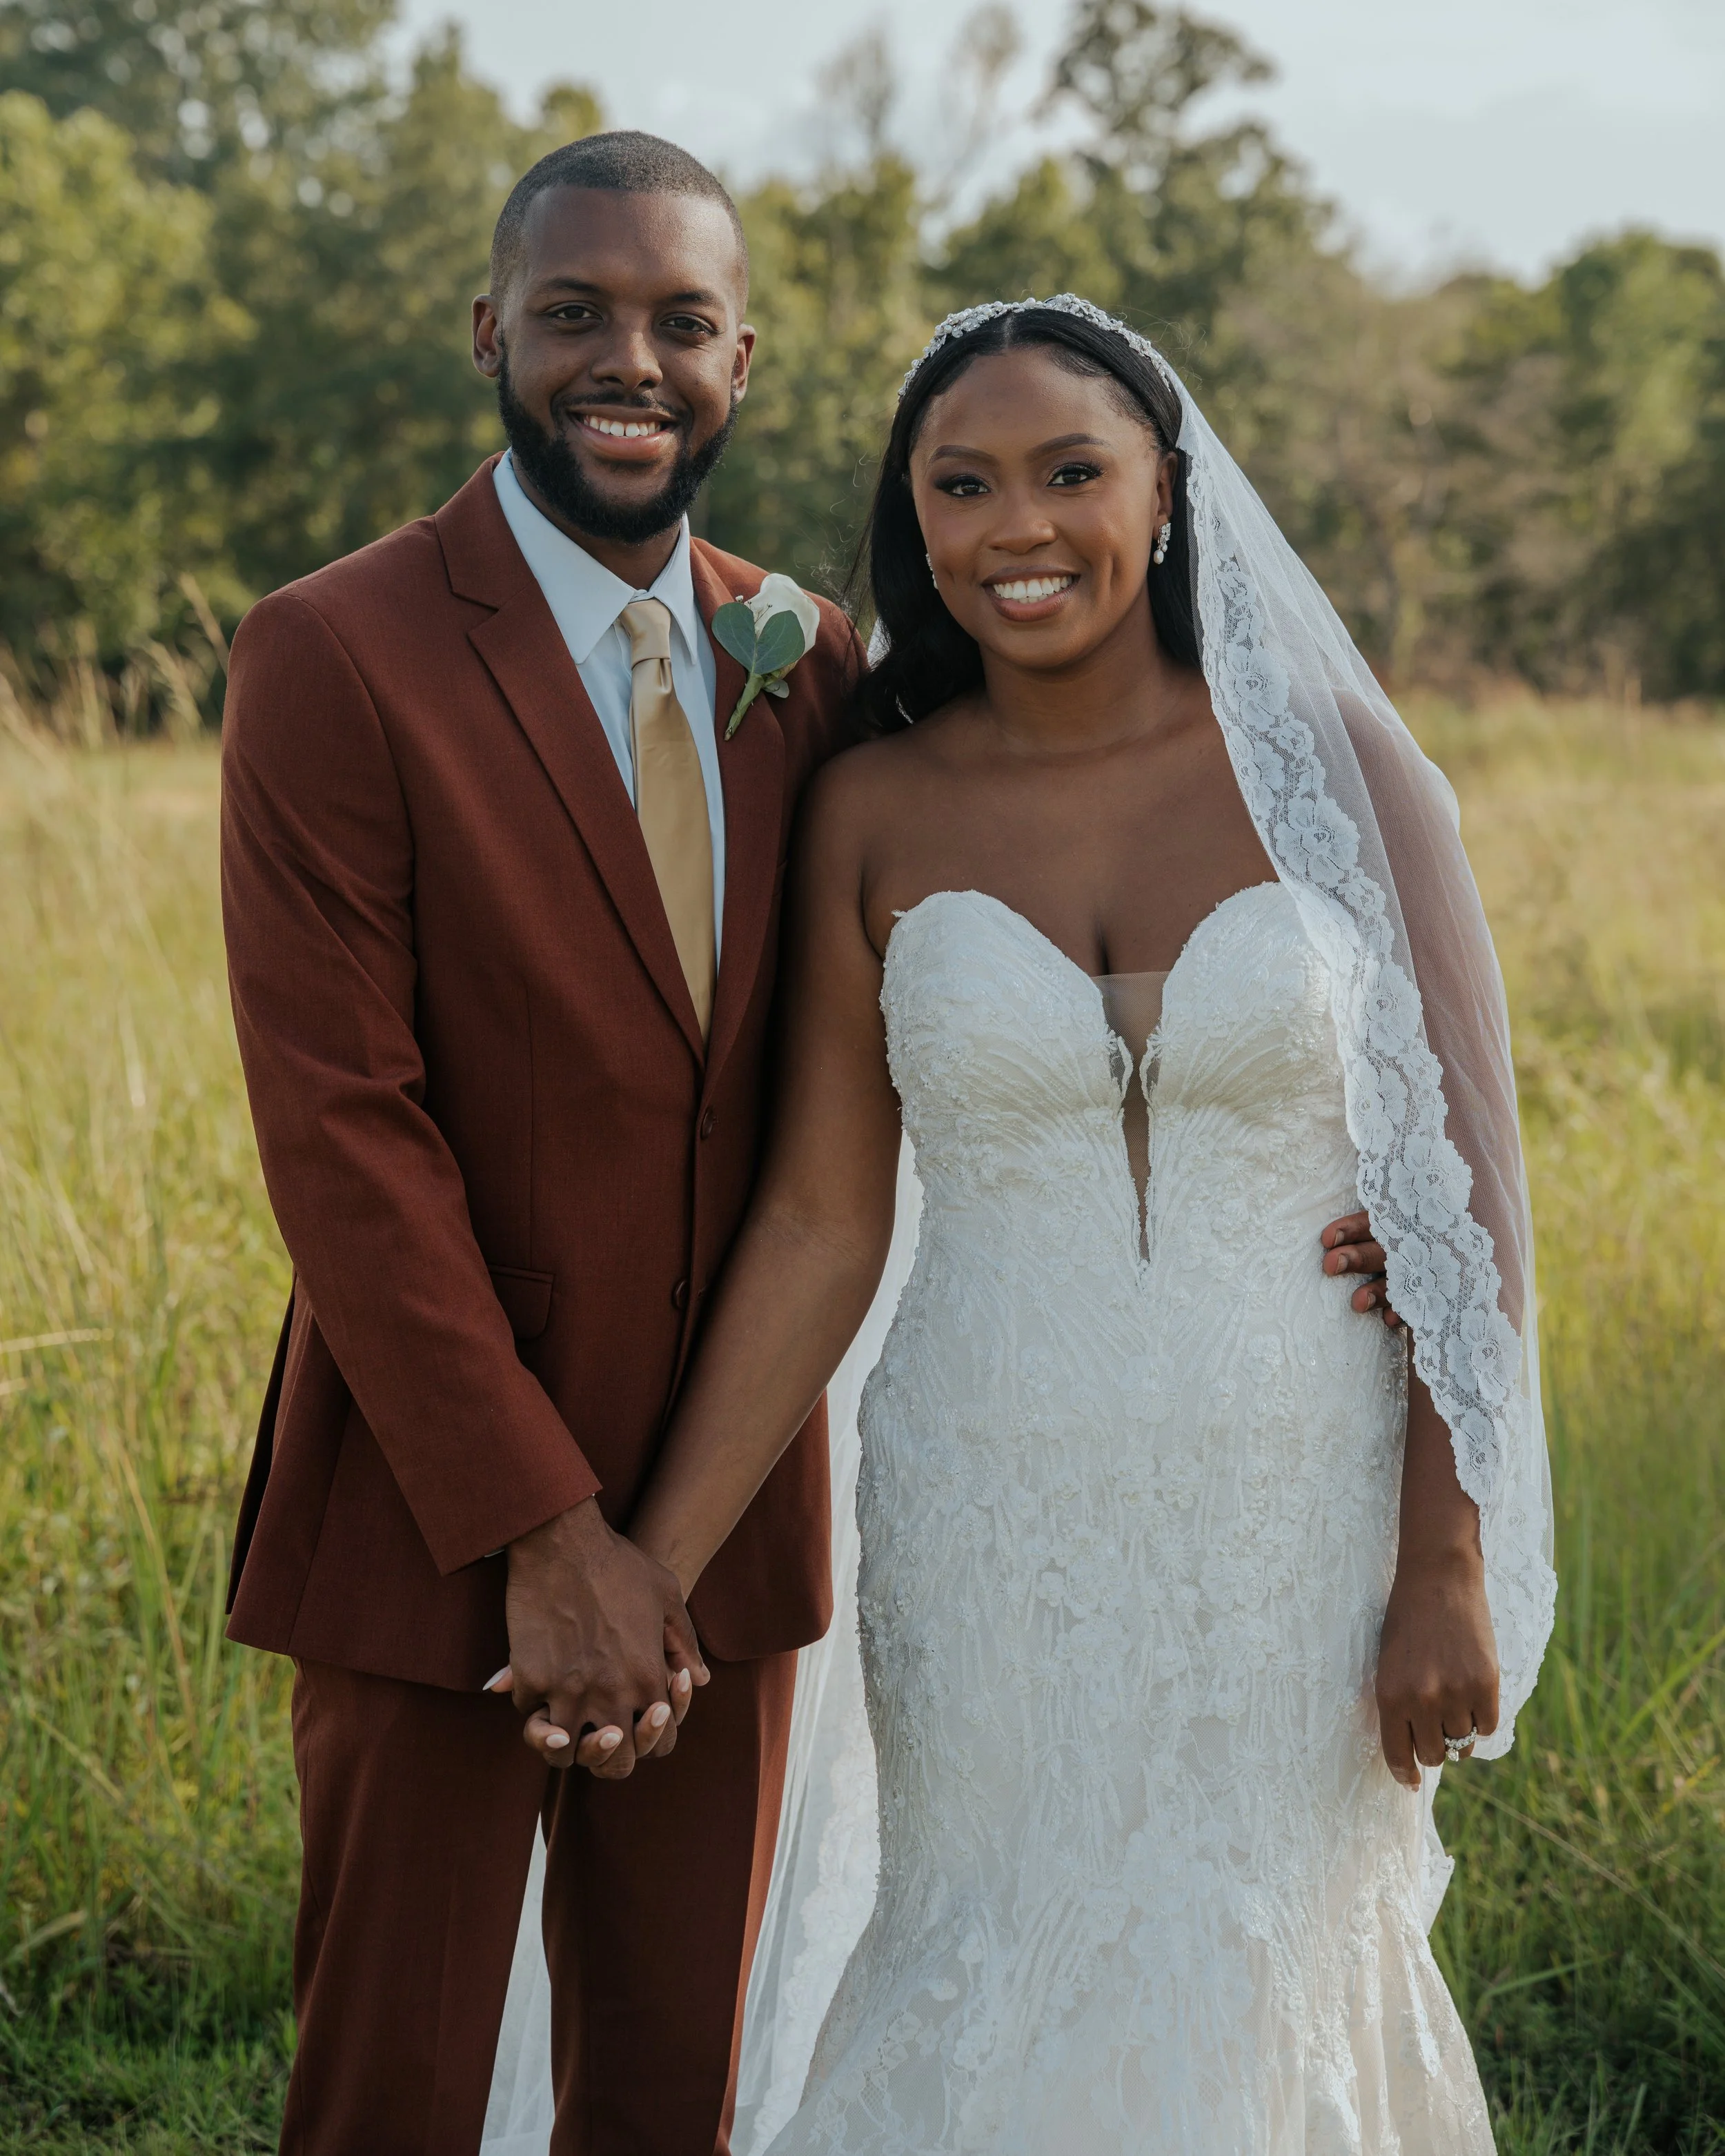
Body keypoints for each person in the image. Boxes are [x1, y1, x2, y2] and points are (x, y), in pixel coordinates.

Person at [582, 297, 1559, 2153]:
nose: (1015, 525)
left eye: (1068, 472)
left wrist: (1444, 1550)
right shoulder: (873, 804)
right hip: (984, 1505)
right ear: (917, 521)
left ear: (1168, 494)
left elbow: (1463, 1197)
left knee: (1257, 1950)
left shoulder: (1340, 773)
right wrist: (653, 1563)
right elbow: (811, 1221)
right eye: (963, 484)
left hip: (1294, 1507)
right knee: (986, 1944)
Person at [219, 132, 867, 2156]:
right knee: (389, 2095)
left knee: (666, 2095)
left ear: (742, 359)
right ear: (489, 327)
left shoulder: (820, 665)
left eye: (680, 322)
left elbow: (1006, 964)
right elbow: (344, 1137)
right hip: (435, 1522)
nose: (630, 360)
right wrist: (543, 1538)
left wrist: (1333, 1173)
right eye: (576, 312)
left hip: (725, 1519)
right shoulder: (337, 648)